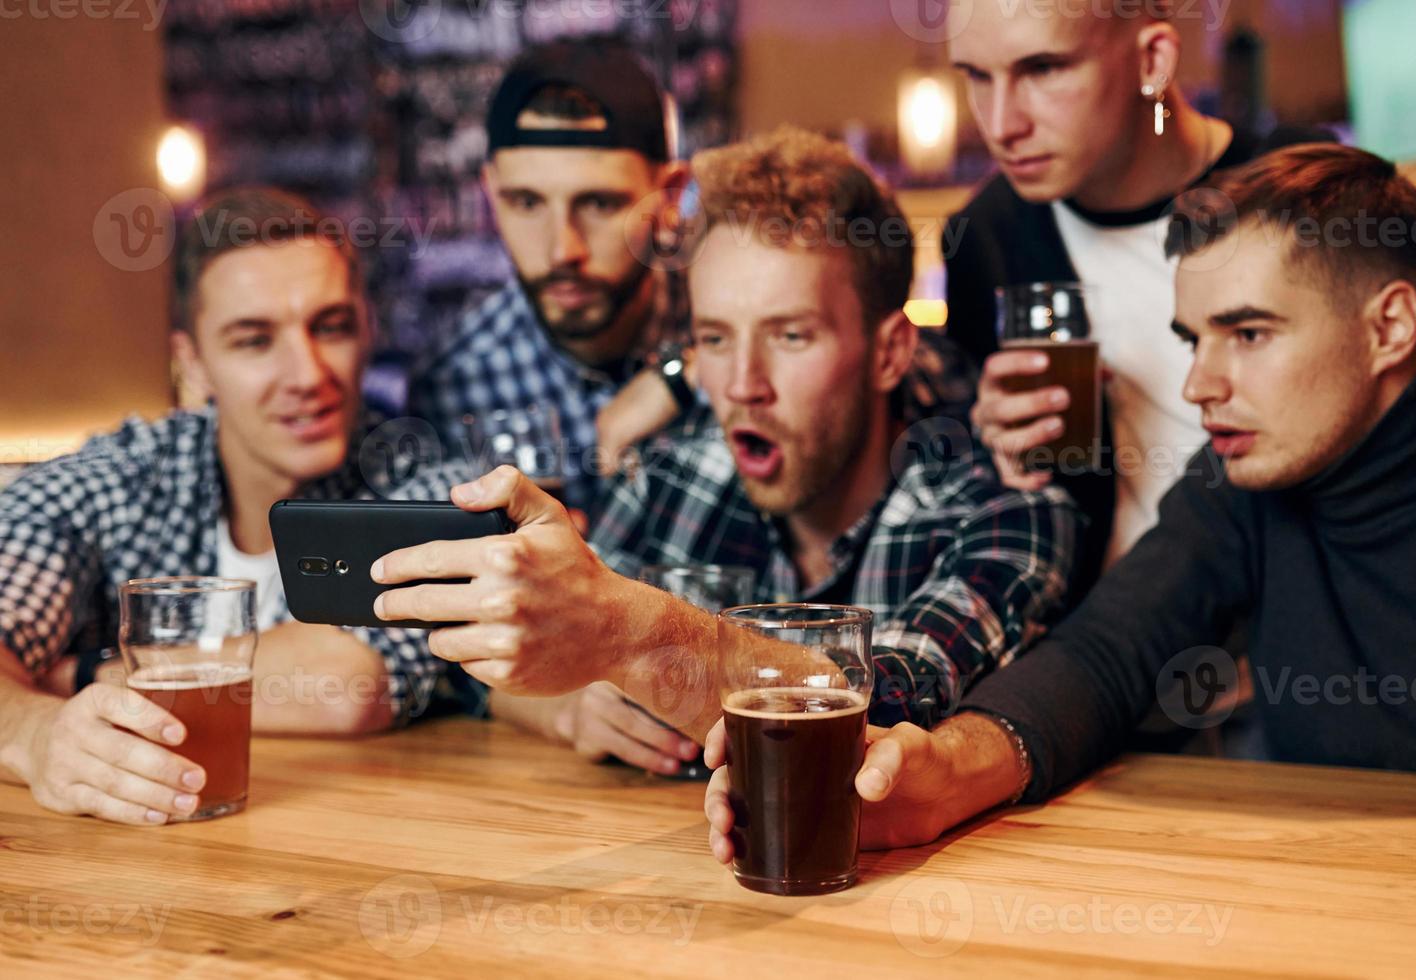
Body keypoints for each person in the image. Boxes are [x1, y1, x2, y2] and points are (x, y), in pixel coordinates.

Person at [701, 144, 1416, 857]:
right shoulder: (1242, 490)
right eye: (1195, 339)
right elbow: (1109, 652)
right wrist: (946, 775)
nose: (1200, 383)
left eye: (1249, 333)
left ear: (1389, 326)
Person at [371, 128, 1084, 774]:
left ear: (890, 352)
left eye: (791, 336)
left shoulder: (1007, 515)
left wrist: (625, 634)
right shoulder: (672, 477)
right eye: (715, 338)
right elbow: (488, 668)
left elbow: (890, 709)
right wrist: (564, 708)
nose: (743, 386)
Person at [0, 188, 467, 826]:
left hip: (349, 852)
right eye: (253, 340)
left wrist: (75, 675)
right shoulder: (125, 475)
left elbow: (346, 687)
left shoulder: (418, 480)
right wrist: (33, 733)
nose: (306, 374)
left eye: (330, 327)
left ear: (366, 329)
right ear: (194, 364)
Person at [942, 0, 1266, 580]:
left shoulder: (1304, 191)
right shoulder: (983, 236)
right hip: (1105, 641)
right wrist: (990, 449)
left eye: (1043, 70)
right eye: (976, 76)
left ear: (1154, 61)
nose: (1000, 125)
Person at [404, 40, 694, 517]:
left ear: (669, 197)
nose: (563, 250)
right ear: (491, 195)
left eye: (600, 204)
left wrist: (688, 373)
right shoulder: (454, 381)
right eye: (527, 203)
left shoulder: (732, 321)